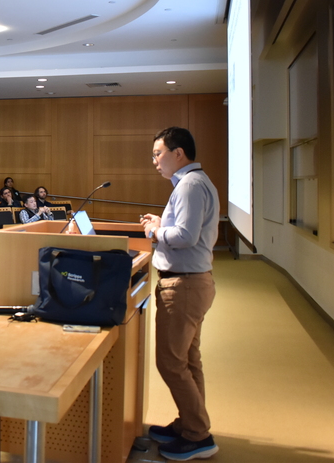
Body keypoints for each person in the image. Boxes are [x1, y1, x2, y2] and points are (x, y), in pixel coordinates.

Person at [139, 127, 220, 461]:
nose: (155, 161)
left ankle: (198, 435)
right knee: (188, 360)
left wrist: (155, 230)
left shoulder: (189, 185)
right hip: (192, 282)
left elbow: (185, 236)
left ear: (178, 153)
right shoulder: (194, 183)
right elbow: (189, 229)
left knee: (171, 363)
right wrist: (162, 221)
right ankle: (190, 424)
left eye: (158, 154)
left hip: (184, 286)